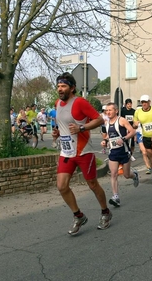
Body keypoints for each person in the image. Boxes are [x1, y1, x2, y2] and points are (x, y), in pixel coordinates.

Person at [52, 72, 112, 234]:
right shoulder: (58, 103)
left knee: (92, 183)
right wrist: (57, 133)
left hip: (83, 151)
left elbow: (99, 119)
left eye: (63, 86)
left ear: (72, 88)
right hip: (66, 152)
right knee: (61, 186)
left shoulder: (79, 102)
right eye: (58, 86)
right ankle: (78, 215)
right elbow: (63, 124)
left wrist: (82, 128)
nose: (60, 89)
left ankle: (105, 212)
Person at [101, 102, 139, 207]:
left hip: (124, 151)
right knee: (113, 174)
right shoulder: (106, 122)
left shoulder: (121, 120)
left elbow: (132, 132)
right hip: (113, 152)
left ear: (116, 111)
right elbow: (109, 134)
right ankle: (116, 196)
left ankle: (134, 175)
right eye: (107, 110)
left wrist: (123, 139)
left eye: (110, 110)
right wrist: (105, 140)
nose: (108, 112)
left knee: (126, 175)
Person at [133, 94, 152, 188]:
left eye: (145, 102)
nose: (144, 104)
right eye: (142, 102)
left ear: (149, 102)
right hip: (146, 138)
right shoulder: (138, 112)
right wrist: (135, 125)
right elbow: (134, 125)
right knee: (151, 160)